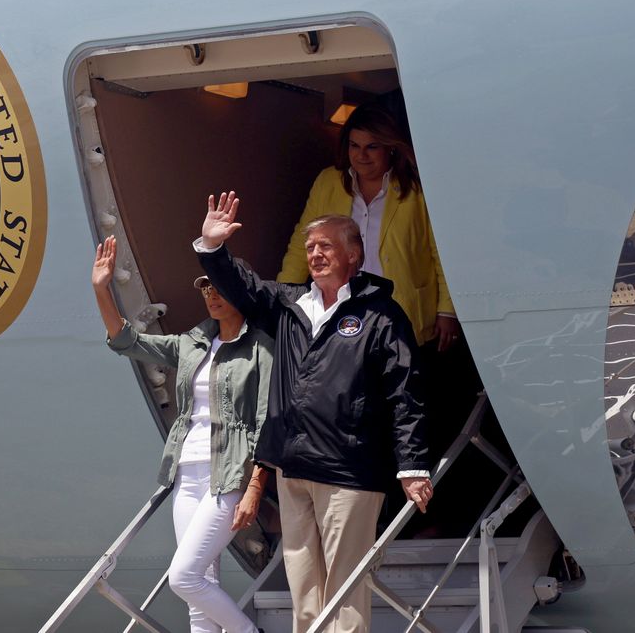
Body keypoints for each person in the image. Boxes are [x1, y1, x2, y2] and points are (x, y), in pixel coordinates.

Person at [194, 192, 433, 633]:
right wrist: (213, 248)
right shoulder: (289, 306)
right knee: (304, 596)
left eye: (326, 245)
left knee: (345, 594)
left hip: (349, 469)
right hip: (293, 468)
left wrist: (412, 465)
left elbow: (405, 392)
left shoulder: (380, 314)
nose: (316, 254)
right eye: (310, 248)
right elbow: (241, 287)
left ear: (353, 253)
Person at [92, 235, 272, 633]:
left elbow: (266, 423)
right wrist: (102, 289)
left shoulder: (261, 349)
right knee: (200, 587)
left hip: (227, 478)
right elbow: (126, 341)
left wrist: (256, 487)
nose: (211, 293)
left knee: (183, 577)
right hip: (186, 476)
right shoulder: (192, 344)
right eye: (206, 286)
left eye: (220, 285)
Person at [277, 103, 462, 350]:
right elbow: (303, 245)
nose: (361, 155)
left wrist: (447, 310)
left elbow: (441, 252)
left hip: (402, 314)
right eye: (355, 145)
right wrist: (284, 298)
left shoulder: (418, 188)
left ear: (391, 148)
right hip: (338, 311)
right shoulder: (328, 182)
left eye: (372, 147)